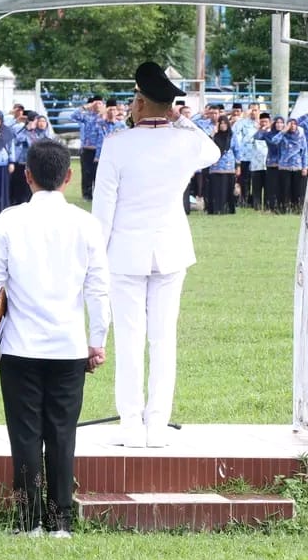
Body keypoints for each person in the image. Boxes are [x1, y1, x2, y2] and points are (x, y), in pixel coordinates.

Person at [0, 138, 110, 538]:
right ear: (68, 177)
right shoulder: (87, 223)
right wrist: (97, 339)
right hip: (69, 346)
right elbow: (99, 287)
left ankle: (29, 520)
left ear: (26, 175)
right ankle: (61, 521)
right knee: (62, 436)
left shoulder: (9, 220)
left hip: (19, 347)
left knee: (25, 436)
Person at [92, 61, 220, 449]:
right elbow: (213, 152)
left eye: (135, 99)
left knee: (130, 339)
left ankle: (131, 425)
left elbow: (103, 209)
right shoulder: (186, 142)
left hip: (124, 253)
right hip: (171, 249)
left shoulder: (117, 144)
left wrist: (95, 256)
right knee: (164, 339)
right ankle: (156, 425)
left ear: (141, 102)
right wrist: (182, 120)